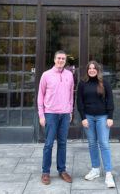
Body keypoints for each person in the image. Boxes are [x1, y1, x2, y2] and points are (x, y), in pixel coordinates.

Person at [38, 50, 74, 185]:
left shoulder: (69, 75)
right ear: (54, 60)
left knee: (63, 143)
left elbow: (71, 95)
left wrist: (70, 111)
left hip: (65, 114)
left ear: (65, 61)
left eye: (63, 59)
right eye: (58, 58)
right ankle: (45, 172)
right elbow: (40, 96)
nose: (60, 60)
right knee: (48, 144)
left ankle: (62, 170)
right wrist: (41, 114)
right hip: (50, 114)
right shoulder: (46, 75)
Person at [77, 60, 115, 188]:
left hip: (102, 117)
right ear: (87, 70)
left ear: (98, 70)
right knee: (92, 144)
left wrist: (110, 117)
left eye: (94, 68)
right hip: (88, 117)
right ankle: (95, 169)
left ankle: (109, 173)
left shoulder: (104, 83)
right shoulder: (82, 84)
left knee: (104, 144)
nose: (92, 70)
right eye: (89, 68)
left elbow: (110, 100)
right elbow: (79, 102)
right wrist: (83, 118)